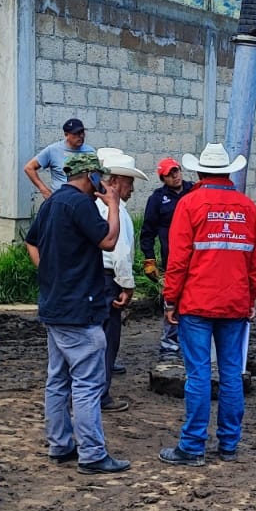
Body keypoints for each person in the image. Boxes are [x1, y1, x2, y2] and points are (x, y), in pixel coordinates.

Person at [157, 144, 256, 466]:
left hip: (196, 303)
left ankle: (192, 447)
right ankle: (229, 445)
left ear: (200, 172)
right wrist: (250, 298)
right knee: (231, 375)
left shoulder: (189, 204)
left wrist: (170, 299)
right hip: (234, 304)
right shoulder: (247, 207)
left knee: (199, 375)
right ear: (228, 172)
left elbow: (178, 260)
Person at [23, 151, 131, 474]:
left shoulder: (52, 203)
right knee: (86, 383)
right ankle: (93, 454)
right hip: (79, 309)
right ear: (91, 177)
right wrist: (112, 203)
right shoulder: (81, 204)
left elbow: (31, 242)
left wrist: (50, 273)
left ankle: (60, 445)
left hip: (54, 305)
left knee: (57, 379)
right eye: (99, 177)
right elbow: (109, 241)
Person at [94, 149, 146, 414]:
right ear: (114, 181)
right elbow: (121, 253)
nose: (132, 189)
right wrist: (127, 285)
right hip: (108, 278)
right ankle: (101, 394)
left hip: (91, 278)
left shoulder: (92, 206)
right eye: (129, 183)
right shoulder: (118, 214)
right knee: (108, 337)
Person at [140, 157, 194, 360]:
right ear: (163, 178)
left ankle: (191, 343)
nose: (175, 175)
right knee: (172, 299)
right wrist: (149, 259)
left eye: (177, 170)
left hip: (197, 258)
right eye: (170, 173)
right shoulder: (157, 199)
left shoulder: (193, 191)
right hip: (171, 259)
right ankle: (169, 345)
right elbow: (147, 232)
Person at [24, 118, 95, 198]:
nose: (81, 136)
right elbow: (29, 168)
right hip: (61, 200)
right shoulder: (53, 150)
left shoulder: (90, 151)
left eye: (82, 132)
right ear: (66, 134)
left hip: (84, 200)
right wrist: (44, 190)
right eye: (76, 133)